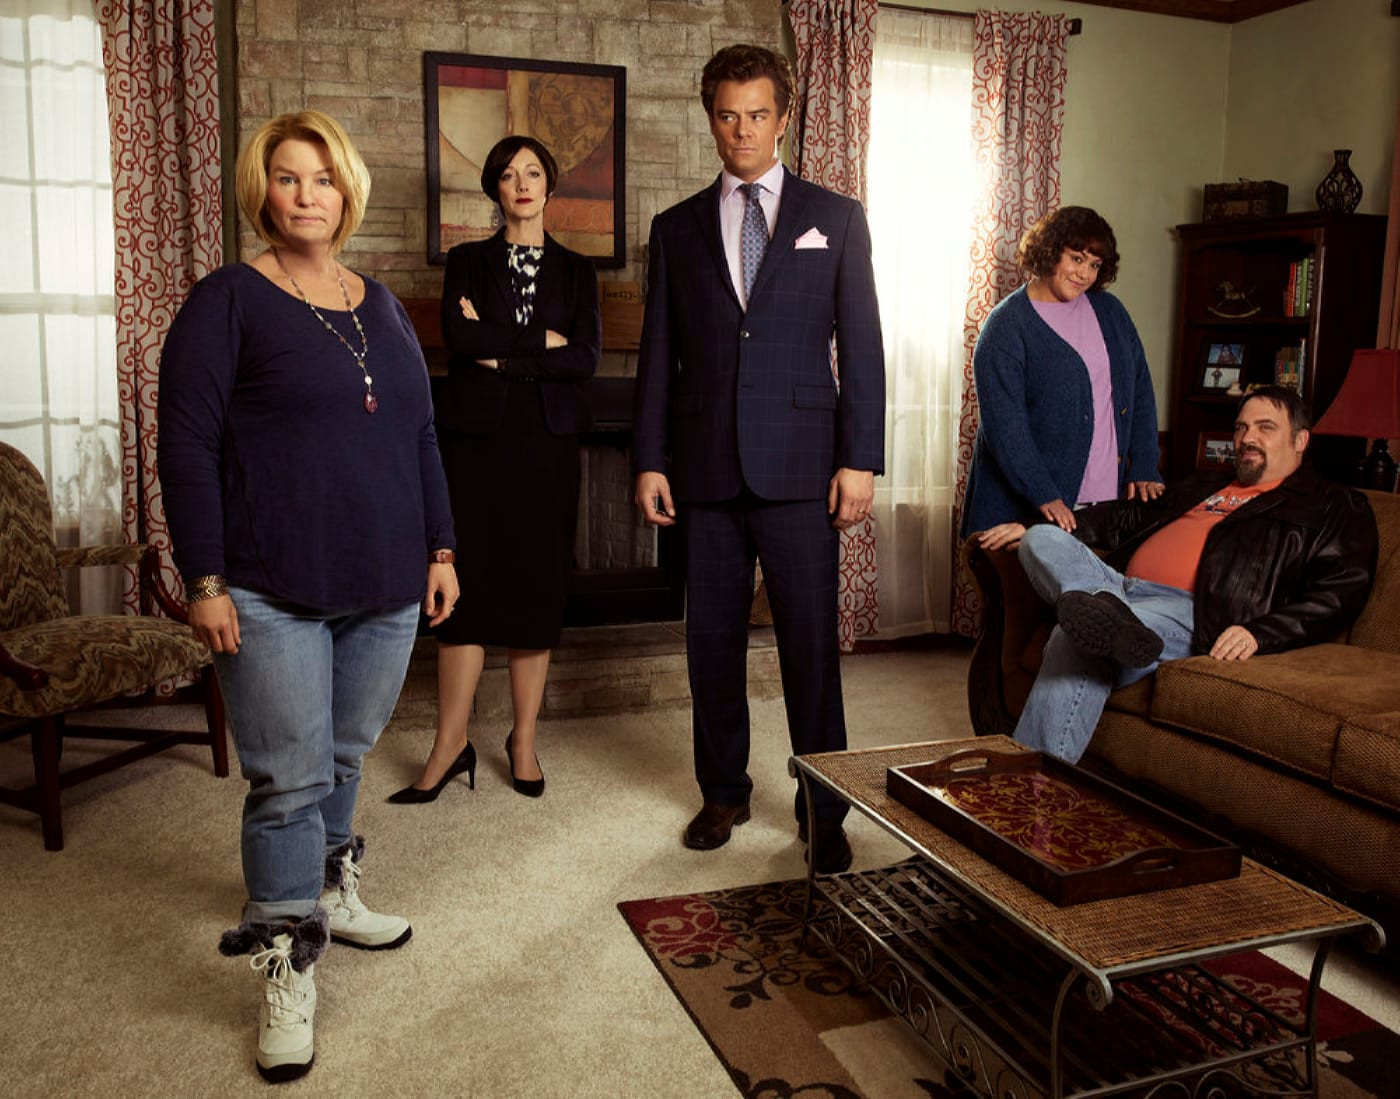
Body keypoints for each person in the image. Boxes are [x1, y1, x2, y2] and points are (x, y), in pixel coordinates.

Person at [158, 109, 459, 1083]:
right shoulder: (226, 301)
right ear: (263, 190)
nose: (306, 195)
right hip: (267, 585)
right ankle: (285, 962)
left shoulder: (381, 304)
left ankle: (330, 893)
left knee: (341, 754)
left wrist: (441, 547)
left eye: (322, 178)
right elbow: (185, 447)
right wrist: (204, 577)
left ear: (346, 191)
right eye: (287, 177)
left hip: (385, 580)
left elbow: (420, 433)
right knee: (286, 779)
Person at [632, 44, 885, 873]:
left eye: (757, 114)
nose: (741, 130)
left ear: (784, 118)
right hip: (703, 470)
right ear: (711, 120)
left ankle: (824, 807)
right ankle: (724, 792)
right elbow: (658, 356)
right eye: (727, 115)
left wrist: (861, 458)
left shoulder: (835, 217)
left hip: (804, 468)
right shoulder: (675, 229)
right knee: (711, 645)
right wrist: (649, 457)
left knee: (809, 647)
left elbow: (864, 346)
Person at [979, 386, 1377, 764]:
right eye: (1241, 427)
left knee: (1074, 638)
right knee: (1041, 538)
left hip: (1191, 611)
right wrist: (1033, 528)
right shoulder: (1205, 483)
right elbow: (1127, 517)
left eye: (1265, 428)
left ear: (1300, 440)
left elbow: (1340, 591)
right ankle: (1101, 607)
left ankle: (1025, 785)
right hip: (1118, 587)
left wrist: (1262, 632)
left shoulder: (1332, 505)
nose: (1247, 438)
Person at [387, 136, 600, 804]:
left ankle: (523, 739)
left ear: (550, 185)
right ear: (495, 189)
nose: (522, 183)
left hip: (548, 444)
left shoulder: (578, 271)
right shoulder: (467, 262)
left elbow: (585, 357)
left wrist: (498, 351)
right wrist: (539, 342)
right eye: (509, 174)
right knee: (467, 590)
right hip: (476, 442)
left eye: (534, 172)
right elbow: (460, 338)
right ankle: (449, 745)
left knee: (537, 587)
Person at [962, 206, 1163, 542]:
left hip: (1105, 505)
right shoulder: (1006, 327)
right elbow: (1005, 428)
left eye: (1094, 265)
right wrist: (1043, 493)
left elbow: (1140, 389)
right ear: (1050, 251)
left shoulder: (1111, 312)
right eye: (1076, 258)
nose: (1084, 273)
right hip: (1029, 507)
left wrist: (1144, 463)